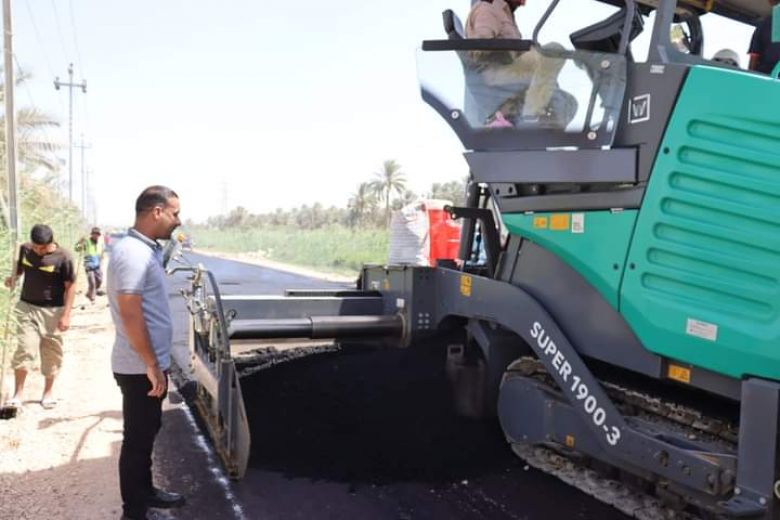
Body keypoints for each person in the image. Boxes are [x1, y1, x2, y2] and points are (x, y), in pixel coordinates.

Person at [108, 185, 184, 520]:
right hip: (140, 366)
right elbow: (130, 312)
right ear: (156, 211)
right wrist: (152, 363)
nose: (177, 220)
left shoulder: (142, 250)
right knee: (137, 439)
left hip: (146, 364)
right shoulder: (132, 253)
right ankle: (133, 510)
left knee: (146, 432)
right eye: (174, 213)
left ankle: (145, 490)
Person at [4, 224, 76, 409]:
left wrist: (66, 315)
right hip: (27, 306)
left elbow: (71, 287)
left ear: (51, 242)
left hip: (53, 311)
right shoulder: (25, 250)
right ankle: (17, 394)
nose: (38, 251)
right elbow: (19, 271)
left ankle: (48, 393)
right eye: (36, 247)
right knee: (25, 348)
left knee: (51, 352)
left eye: (42, 248)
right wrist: (12, 279)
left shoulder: (64, 257)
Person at [464, 0, 565, 126]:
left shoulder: (504, 11)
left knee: (565, 103)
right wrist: (507, 53)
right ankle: (532, 115)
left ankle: (540, 130)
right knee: (554, 50)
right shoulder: (487, 9)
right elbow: (481, 46)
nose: (523, 2)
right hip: (496, 72)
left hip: (507, 68)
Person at [748, 0, 780, 74]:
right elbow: (754, 54)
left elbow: (754, 55)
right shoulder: (766, 23)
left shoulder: (765, 23)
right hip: (765, 75)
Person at [76, 226, 105, 302]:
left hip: (97, 265)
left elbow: (101, 253)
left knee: (100, 280)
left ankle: (89, 293)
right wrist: (79, 242)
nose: (96, 236)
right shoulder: (86, 242)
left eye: (97, 234)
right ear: (92, 234)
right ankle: (92, 298)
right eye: (94, 234)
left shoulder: (100, 242)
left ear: (99, 235)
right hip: (89, 265)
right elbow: (77, 249)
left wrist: (101, 260)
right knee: (92, 282)